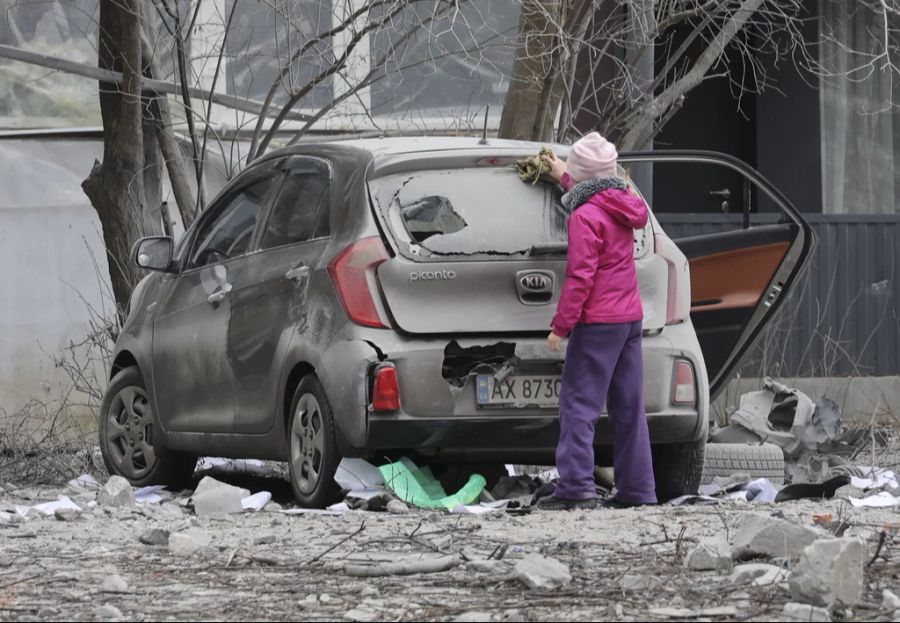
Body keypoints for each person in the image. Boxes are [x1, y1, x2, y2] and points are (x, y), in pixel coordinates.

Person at [536, 132, 658, 510]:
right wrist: (563, 176)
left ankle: (575, 488)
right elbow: (594, 191)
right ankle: (638, 491)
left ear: (582, 174)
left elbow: (580, 278)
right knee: (628, 408)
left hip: (597, 323)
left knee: (578, 405)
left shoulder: (583, 217)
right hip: (629, 321)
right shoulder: (623, 203)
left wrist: (561, 326)